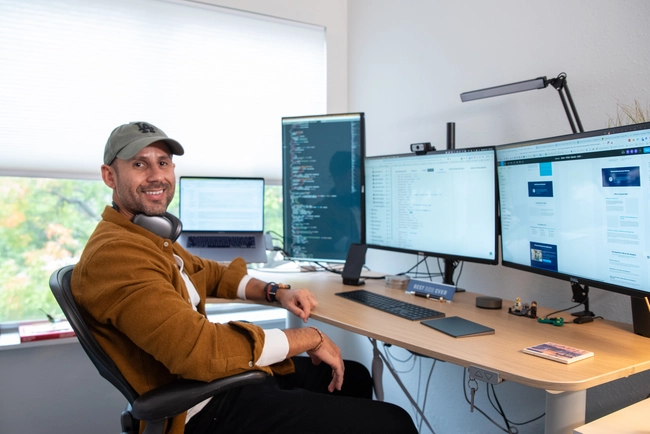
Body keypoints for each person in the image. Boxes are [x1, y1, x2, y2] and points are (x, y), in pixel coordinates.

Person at [72, 121, 417, 434]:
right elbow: (202, 351)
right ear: (109, 176)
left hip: (216, 382)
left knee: (351, 376)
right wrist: (308, 338)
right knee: (395, 423)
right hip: (201, 408)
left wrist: (275, 292)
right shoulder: (117, 255)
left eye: (162, 163)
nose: (155, 175)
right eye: (139, 164)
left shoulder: (145, 237)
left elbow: (211, 273)